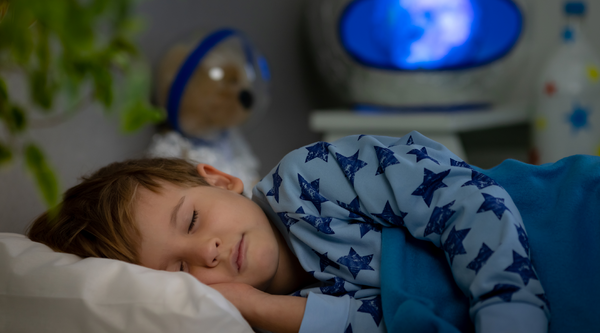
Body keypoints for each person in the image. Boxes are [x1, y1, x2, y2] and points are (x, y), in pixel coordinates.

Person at [27, 131, 600, 333]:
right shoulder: (279, 314)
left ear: (223, 179)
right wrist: (260, 309)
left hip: (563, 223)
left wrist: (509, 308)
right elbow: (406, 316)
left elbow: (460, 198)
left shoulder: (310, 181)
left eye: (193, 221)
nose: (207, 251)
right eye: (179, 269)